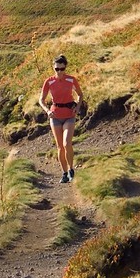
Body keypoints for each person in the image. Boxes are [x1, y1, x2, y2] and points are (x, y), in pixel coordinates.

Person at [39, 54, 85, 183]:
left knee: (67, 143)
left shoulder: (71, 80)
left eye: (62, 69)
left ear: (65, 68)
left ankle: (71, 169)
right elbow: (41, 99)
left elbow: (80, 95)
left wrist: (78, 107)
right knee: (60, 146)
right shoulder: (49, 81)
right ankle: (64, 173)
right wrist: (47, 110)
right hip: (55, 115)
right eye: (57, 69)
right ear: (53, 68)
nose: (59, 71)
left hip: (69, 115)